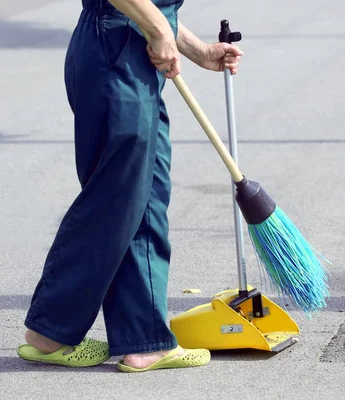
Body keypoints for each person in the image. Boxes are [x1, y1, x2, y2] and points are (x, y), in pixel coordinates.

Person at [16, 0, 243, 372]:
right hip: (118, 51)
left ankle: (145, 338)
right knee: (115, 200)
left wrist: (197, 49)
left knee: (146, 196)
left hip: (127, 50)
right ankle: (50, 330)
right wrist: (157, 30)